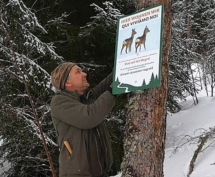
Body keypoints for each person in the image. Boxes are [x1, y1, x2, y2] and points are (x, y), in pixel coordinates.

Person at [50, 62, 115, 177]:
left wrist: (125, 66)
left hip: (100, 173)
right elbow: (89, 117)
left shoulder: (86, 99)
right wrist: (112, 92)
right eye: (78, 72)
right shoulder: (59, 102)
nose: (84, 74)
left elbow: (108, 83)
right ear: (67, 82)